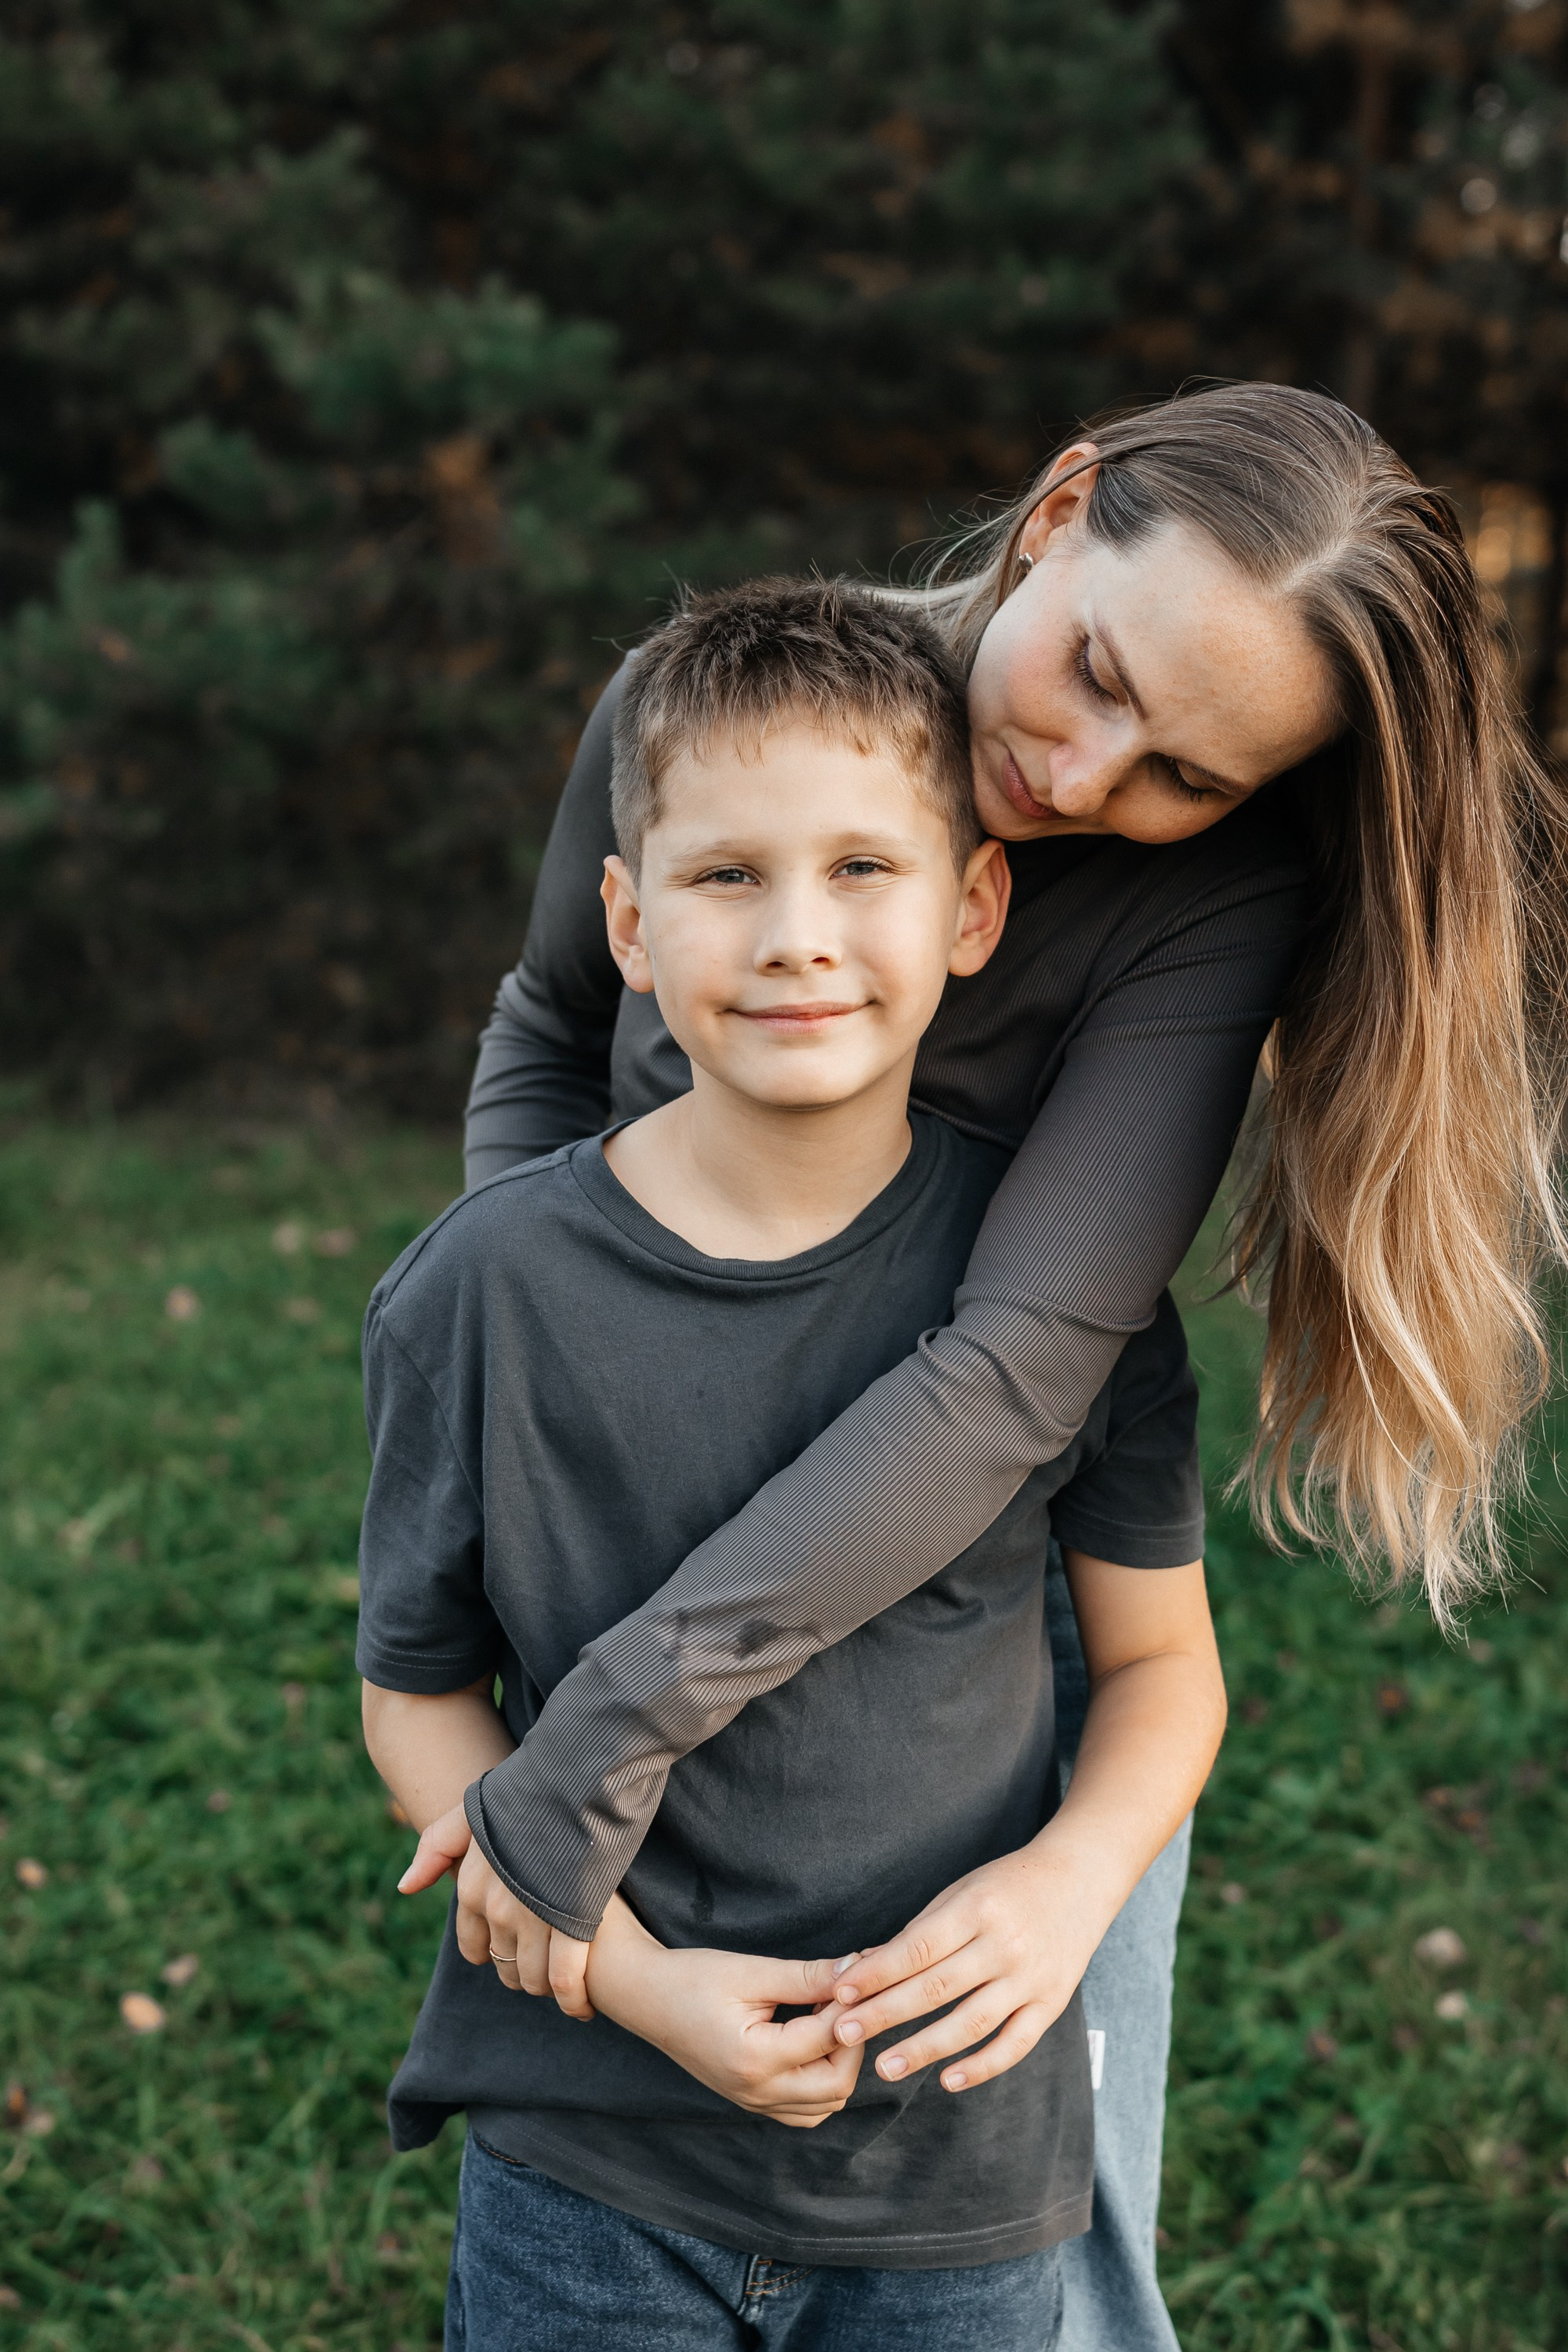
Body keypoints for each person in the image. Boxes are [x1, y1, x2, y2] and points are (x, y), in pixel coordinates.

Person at [459, 384, 1568, 2350]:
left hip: (986, 1645)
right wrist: (531, 1353)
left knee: (1052, 2248)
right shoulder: (708, 709)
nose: (1079, 770)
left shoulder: (1207, 900)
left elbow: (1018, 1371)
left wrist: (635, 1708)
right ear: (1060, 509)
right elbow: (552, 1018)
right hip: (631, 1572)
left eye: (1183, 772)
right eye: (1099, 676)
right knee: (605, 2156)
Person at [358, 579, 1228, 2349]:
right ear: (626, 918)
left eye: (862, 869)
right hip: (590, 2151)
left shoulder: (1061, 1295)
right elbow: (420, 1698)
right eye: (727, 875)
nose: (796, 937)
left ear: (976, 906)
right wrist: (640, 1989)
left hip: (954, 2181)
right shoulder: (478, 1292)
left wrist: (1065, 1883)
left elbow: (1160, 1668)